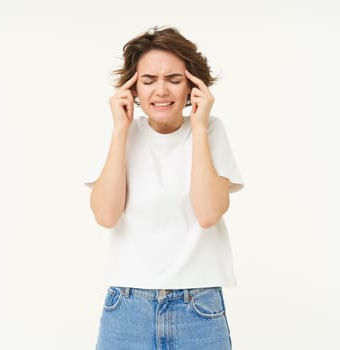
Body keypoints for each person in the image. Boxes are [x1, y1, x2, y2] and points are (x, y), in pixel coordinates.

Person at [85, 26, 244, 350]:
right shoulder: (121, 132)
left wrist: (198, 127)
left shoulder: (211, 130)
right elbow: (106, 215)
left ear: (192, 86)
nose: (161, 91)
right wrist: (120, 130)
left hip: (198, 307)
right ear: (132, 88)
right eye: (148, 81)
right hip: (126, 307)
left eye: (174, 79)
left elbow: (209, 213)